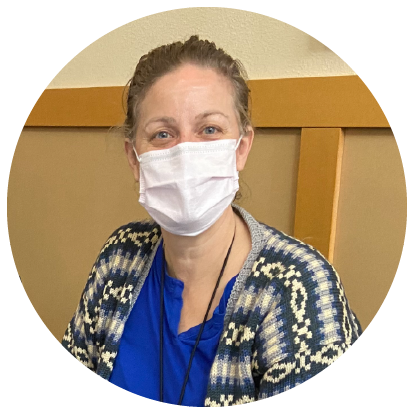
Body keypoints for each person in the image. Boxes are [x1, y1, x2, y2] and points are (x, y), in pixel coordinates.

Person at [62, 35, 362, 407]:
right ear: (134, 158)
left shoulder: (300, 288)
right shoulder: (119, 257)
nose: (186, 151)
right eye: (162, 134)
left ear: (241, 148)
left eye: (209, 130)